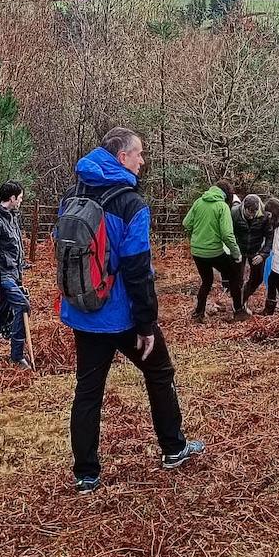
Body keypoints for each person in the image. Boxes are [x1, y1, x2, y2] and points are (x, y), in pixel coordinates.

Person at [61, 127, 203, 494]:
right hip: (121, 314)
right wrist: (147, 324)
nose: (143, 161)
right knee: (160, 372)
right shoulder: (131, 204)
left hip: (83, 310)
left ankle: (86, 474)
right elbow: (138, 268)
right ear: (122, 156)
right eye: (139, 154)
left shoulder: (72, 193)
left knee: (88, 388)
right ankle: (173, 448)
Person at [0, 181, 31, 368]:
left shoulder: (11, 216)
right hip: (2, 276)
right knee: (23, 306)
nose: (20, 202)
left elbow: (15, 248)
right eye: (19, 198)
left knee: (2, 311)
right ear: (12, 198)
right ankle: (17, 356)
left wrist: (20, 272)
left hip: (13, 274)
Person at [183, 180, 247, 322]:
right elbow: (227, 235)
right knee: (234, 277)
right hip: (214, 252)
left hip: (197, 252)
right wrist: (236, 254)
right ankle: (239, 311)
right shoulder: (222, 207)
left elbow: (186, 223)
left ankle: (198, 313)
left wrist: (196, 237)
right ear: (227, 194)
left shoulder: (199, 202)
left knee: (206, 281)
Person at [234, 194, 272, 308]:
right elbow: (229, 233)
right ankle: (237, 304)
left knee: (258, 278)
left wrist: (263, 254)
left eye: (254, 212)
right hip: (239, 249)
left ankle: (244, 297)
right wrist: (233, 251)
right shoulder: (234, 213)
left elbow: (270, 237)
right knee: (237, 278)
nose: (251, 216)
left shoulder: (265, 215)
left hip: (256, 249)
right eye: (249, 212)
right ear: (243, 207)